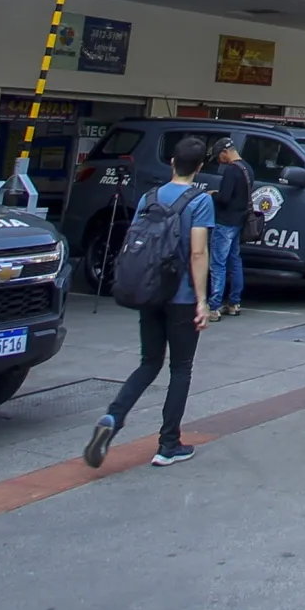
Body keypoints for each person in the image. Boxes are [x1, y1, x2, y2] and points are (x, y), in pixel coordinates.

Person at [85, 137, 214, 469]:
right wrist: (202, 301)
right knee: (181, 368)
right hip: (182, 296)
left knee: (149, 362)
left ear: (172, 162)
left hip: (149, 291)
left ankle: (114, 416)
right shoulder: (200, 201)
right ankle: (168, 443)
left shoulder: (148, 197)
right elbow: (198, 252)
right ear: (200, 167)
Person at [206, 137, 249, 319]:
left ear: (225, 152)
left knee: (218, 264)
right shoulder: (247, 168)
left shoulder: (231, 171)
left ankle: (214, 306)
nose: (218, 161)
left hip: (225, 222)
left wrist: (213, 194)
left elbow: (224, 198)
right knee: (235, 261)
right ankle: (234, 303)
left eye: (219, 156)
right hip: (240, 220)